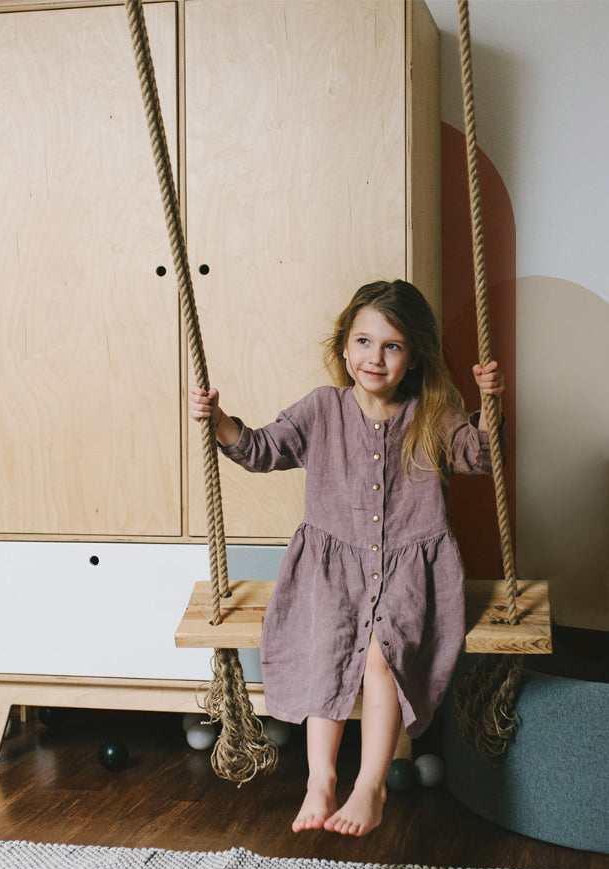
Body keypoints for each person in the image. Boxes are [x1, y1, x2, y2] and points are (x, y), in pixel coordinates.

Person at [188, 280, 505, 837]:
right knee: (327, 650)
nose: (374, 357)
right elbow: (261, 449)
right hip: (331, 573)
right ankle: (321, 780)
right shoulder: (322, 408)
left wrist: (491, 406)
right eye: (363, 341)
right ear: (343, 346)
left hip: (410, 570)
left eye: (392, 345)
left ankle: (370, 785)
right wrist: (219, 421)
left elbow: (478, 457)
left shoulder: (434, 413)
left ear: (414, 358)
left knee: (385, 655)